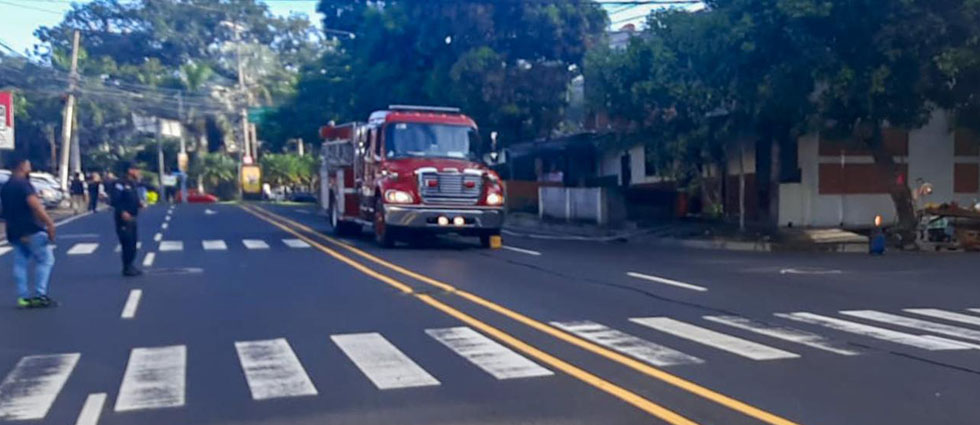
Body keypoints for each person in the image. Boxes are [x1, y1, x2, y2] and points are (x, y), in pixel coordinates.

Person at [0, 156, 57, 308]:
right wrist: (49, 223)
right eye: (28, 165)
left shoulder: (6, 186)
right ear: (21, 166)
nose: (30, 168)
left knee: (20, 263)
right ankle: (40, 294)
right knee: (45, 260)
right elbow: (35, 206)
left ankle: (23, 297)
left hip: (13, 230)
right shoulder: (24, 185)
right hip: (31, 228)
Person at [111, 162, 144, 277]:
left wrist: (139, 203)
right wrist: (122, 211)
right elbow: (115, 200)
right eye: (136, 169)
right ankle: (127, 267)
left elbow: (132, 198)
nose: (138, 172)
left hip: (133, 217)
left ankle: (131, 265)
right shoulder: (120, 184)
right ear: (130, 170)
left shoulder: (132, 183)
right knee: (127, 243)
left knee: (133, 243)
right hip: (123, 218)